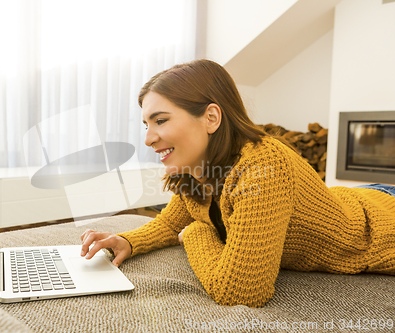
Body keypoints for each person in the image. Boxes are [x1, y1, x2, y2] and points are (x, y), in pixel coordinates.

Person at [80, 59, 395, 308]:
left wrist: (197, 234)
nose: (148, 139)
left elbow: (240, 292)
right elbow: (171, 222)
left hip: (381, 224)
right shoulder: (195, 166)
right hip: (353, 197)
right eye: (147, 124)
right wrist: (129, 241)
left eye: (161, 121)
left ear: (211, 118)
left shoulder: (263, 167)